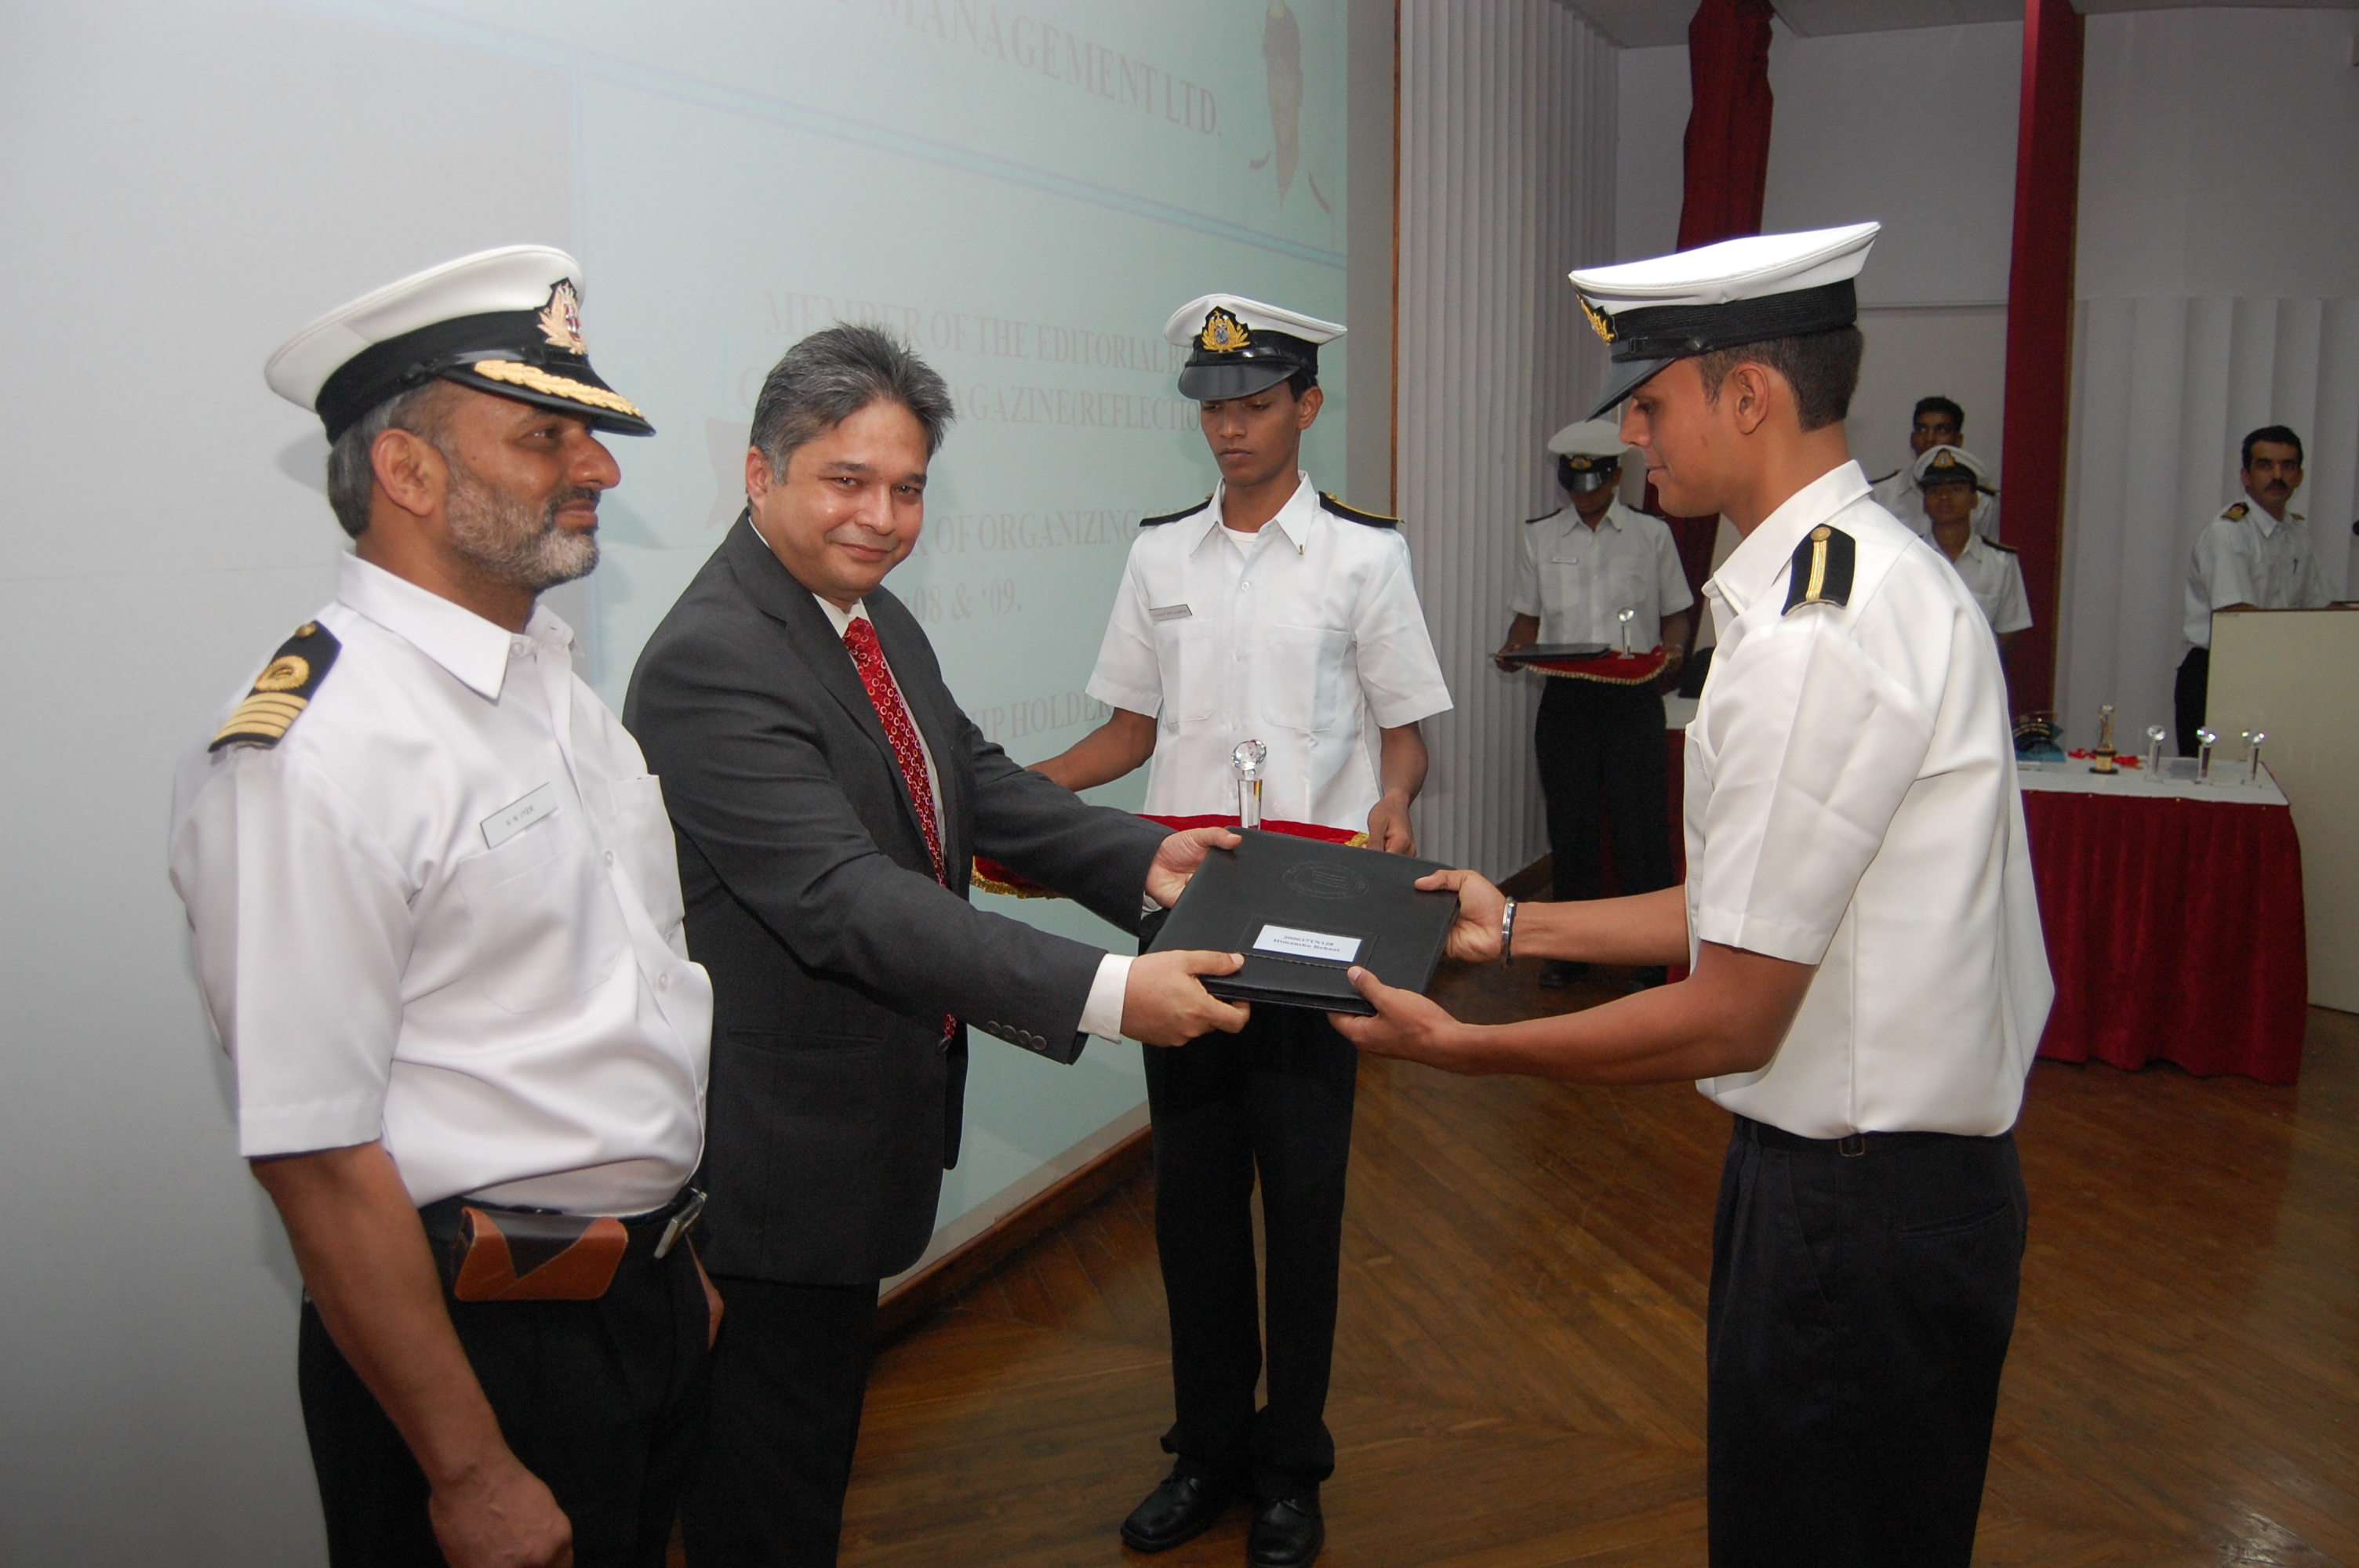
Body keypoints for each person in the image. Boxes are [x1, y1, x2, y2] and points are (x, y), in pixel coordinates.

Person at [1336, 223, 2052, 1568]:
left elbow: (1731, 1009)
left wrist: (1466, 1052)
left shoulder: (1814, 636)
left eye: (1651, 402)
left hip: (1857, 1204)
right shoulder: (1860, 580)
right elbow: (1745, 904)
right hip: (1872, 1188)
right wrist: (1510, 926)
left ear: (1749, 395)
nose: (1632, 437)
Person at [623, 325, 1252, 1568]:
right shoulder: (715, 657)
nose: (882, 517)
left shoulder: (865, 618)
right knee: (765, 1495)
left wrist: (1140, 859)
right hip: (775, 1173)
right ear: (759, 474)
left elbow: (971, 777)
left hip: (855, 1142)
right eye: (847, 481)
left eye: (907, 489)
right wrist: (1107, 990)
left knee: (805, 1465)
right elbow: (845, 898)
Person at [168, 246, 720, 1568]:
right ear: (408, 473)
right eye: (544, 437)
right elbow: (314, 1151)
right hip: (475, 1353)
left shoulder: (551, 689)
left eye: (589, 433)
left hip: (637, 1304)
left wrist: (669, 1261)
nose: (599, 469)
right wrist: (469, 1472)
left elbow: (613, 1011)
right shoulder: (317, 750)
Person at [1033, 293, 1452, 1567]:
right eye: (1213, 407)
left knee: (1305, 1195)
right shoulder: (1160, 557)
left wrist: (1394, 803)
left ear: (1305, 407)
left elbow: (1403, 733)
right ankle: (1205, 1449)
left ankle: (1290, 1468)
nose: (1229, 428)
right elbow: (1128, 733)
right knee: (1195, 1196)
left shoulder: (1363, 558)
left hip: (1315, 913)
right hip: (1189, 906)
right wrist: (1015, 795)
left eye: (1256, 404)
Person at [1494, 418, 1693, 992]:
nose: (1584, 496)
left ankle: (1652, 953)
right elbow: (1528, 618)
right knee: (1571, 827)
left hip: (1631, 697)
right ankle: (1570, 951)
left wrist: (1674, 649)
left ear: (1614, 477)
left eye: (1594, 484)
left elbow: (1677, 612)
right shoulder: (1541, 537)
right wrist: (1512, 650)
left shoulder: (1651, 536)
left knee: (1639, 827)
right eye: (1574, 485)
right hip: (1568, 697)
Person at [2176, 425, 2335, 754]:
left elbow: (2322, 608)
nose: (2277, 475)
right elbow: (2239, 619)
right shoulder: (2228, 532)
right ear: (2245, 476)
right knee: (2215, 780)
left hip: (2273, 676)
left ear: (2299, 476)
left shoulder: (2296, 533)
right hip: (2219, 674)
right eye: (2265, 465)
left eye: (2287, 466)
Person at [1915, 445, 2030, 659]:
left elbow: (2009, 630)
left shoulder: (2001, 562)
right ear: (1925, 503)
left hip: (1980, 674)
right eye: (1935, 491)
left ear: (1974, 499)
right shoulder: (1908, 557)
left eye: (1956, 489)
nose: (1944, 497)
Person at [1867, 395, 2000, 540]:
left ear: (1958, 440)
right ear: (1912, 439)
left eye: (1941, 430)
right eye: (1922, 429)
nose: (1930, 438)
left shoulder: (1981, 502)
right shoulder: (1881, 494)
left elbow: (1987, 552)